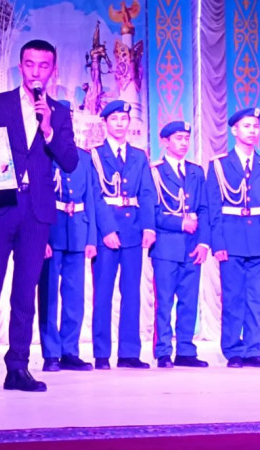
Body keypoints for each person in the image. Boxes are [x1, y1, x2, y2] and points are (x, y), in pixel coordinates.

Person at [0, 40, 78, 393]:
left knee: (25, 293)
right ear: (20, 66)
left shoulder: (59, 112)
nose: (35, 71)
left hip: (36, 212)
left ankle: (18, 367)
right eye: (29, 64)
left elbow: (70, 161)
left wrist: (49, 128)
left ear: (52, 70)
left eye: (43, 65)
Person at [206, 108, 260, 368]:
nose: (252, 131)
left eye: (255, 126)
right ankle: (233, 350)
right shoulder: (219, 165)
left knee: (256, 298)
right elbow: (214, 209)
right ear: (234, 130)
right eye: (247, 126)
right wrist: (218, 243)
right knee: (233, 297)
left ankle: (253, 350)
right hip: (231, 239)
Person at [90, 100, 156, 370]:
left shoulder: (139, 156)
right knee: (103, 294)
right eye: (114, 119)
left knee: (131, 293)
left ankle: (129, 353)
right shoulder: (95, 155)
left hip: (133, 231)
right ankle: (101, 353)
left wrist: (149, 227)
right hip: (106, 233)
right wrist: (107, 229)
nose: (119, 124)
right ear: (105, 123)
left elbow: (148, 193)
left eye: (124, 119)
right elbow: (95, 196)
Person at [149, 121, 210, 369]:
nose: (184, 143)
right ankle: (163, 351)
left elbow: (204, 209)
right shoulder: (155, 172)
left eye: (186, 138)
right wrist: (180, 223)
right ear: (165, 142)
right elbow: (151, 212)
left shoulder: (196, 172)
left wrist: (204, 242)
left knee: (189, 300)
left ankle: (185, 349)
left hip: (192, 246)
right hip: (166, 246)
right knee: (164, 302)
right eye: (178, 138)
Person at [37, 139, 97, 373]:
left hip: (78, 230)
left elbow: (91, 198)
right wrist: (41, 238)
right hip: (52, 229)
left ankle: (70, 351)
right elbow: (37, 198)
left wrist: (91, 238)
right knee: (49, 295)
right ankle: (51, 352)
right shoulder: (42, 153)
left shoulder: (84, 157)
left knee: (75, 296)